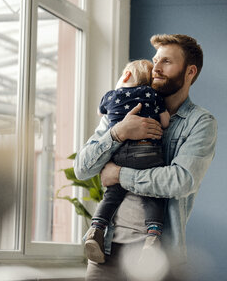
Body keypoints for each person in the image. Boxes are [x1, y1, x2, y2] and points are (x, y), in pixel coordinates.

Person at [74, 34, 217, 281]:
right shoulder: (123, 109)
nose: (156, 68)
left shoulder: (200, 123)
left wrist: (119, 174)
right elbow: (82, 169)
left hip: (157, 259)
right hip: (104, 252)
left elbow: (180, 181)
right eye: (155, 60)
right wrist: (119, 132)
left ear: (190, 71)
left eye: (166, 62)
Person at [84, 59, 170, 264]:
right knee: (152, 195)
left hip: (121, 155)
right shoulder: (153, 95)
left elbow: (101, 113)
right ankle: (152, 237)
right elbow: (165, 121)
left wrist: (117, 102)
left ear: (126, 75)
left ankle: (96, 229)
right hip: (148, 152)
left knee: (112, 195)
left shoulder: (110, 96)